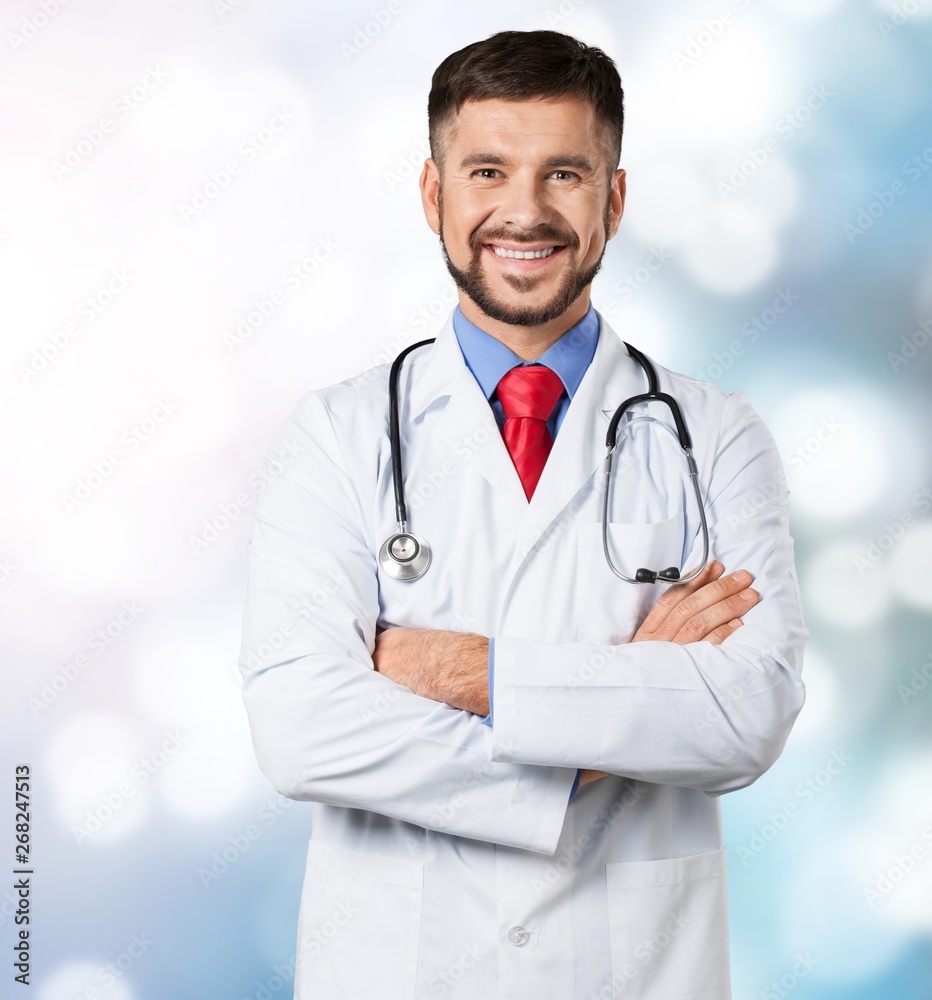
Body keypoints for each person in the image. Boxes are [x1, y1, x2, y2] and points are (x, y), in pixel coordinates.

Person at [239, 29, 807, 999]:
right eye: (488, 170)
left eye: (565, 174)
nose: (524, 211)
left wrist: (458, 669)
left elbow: (746, 714)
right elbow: (299, 725)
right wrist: (615, 717)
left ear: (613, 200)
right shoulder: (335, 435)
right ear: (434, 195)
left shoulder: (715, 436)